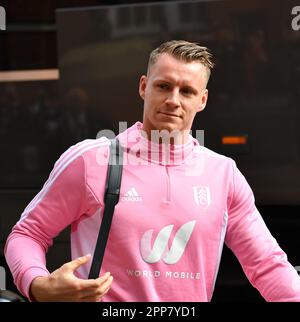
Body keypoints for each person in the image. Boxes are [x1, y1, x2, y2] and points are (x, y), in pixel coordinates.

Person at [5, 40, 300, 302]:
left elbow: (267, 264)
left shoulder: (224, 175)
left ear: (203, 100)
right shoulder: (91, 160)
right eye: (163, 86)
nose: (173, 99)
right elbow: (27, 234)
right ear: (144, 86)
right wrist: (37, 284)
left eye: (186, 91)